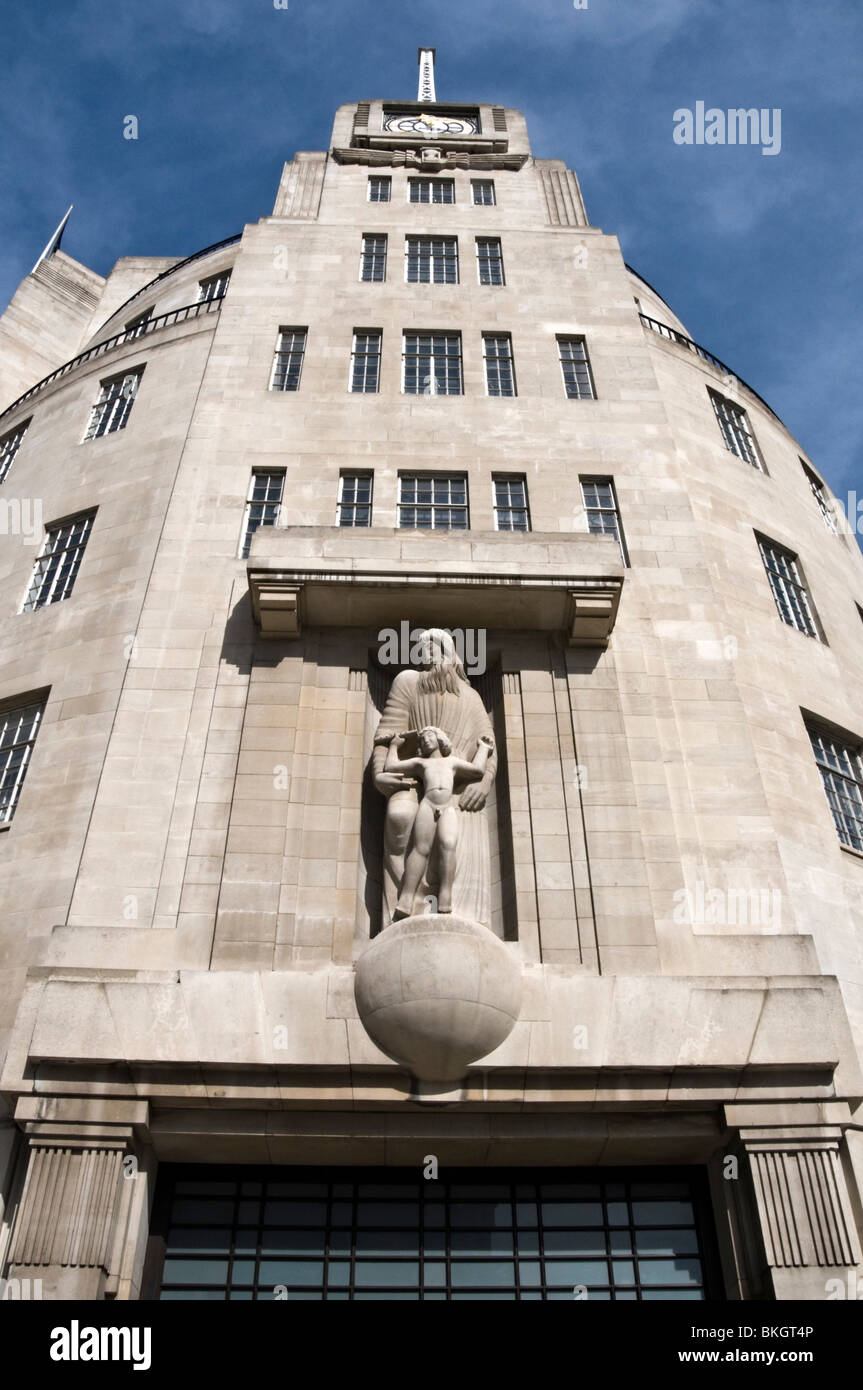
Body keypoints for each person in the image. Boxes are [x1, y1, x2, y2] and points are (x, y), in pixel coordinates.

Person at [371, 628, 498, 926]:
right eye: (421, 647)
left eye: (431, 646)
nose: (424, 652)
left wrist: (485, 782)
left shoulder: (471, 695)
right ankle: (405, 902)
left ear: (447, 651)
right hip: (416, 783)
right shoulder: (407, 682)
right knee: (401, 815)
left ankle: (447, 901)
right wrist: (379, 774)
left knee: (449, 844)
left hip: (456, 790)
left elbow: (488, 746)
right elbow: (386, 736)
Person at [384, 728, 494, 918]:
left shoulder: (451, 762)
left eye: (430, 736)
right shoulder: (421, 763)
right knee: (420, 848)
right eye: (423, 738)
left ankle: (445, 896)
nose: (426, 740)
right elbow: (392, 766)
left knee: (448, 845)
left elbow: (477, 770)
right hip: (428, 804)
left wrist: (483, 748)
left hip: (447, 806)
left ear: (440, 739)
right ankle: (406, 898)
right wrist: (394, 746)